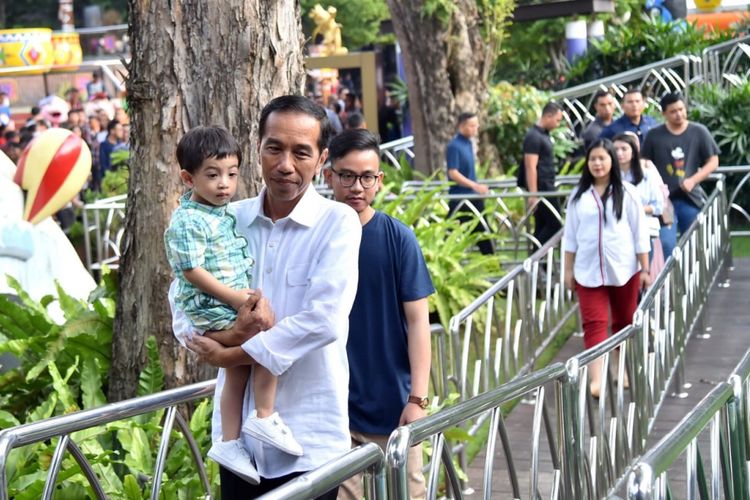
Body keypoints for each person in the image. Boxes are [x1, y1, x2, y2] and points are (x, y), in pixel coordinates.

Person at [173, 95, 362, 498]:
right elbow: (181, 299)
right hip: (239, 448)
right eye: (274, 148)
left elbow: (323, 321)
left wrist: (230, 356)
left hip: (309, 441)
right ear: (258, 147)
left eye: (301, 152)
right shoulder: (225, 217)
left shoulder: (337, 223)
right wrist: (217, 337)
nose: (285, 165)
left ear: (322, 157)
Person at [164, 126, 304, 484]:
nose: (224, 184)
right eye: (212, 176)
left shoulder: (221, 212)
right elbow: (190, 271)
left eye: (231, 174)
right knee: (264, 335)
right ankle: (263, 415)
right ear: (187, 177)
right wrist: (235, 298)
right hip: (213, 307)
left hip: (224, 305)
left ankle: (232, 438)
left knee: (239, 366)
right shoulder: (188, 220)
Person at [323, 130, 433, 500]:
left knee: (408, 493)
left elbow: (419, 322)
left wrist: (417, 400)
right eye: (347, 175)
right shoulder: (316, 236)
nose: (357, 186)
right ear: (329, 176)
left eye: (367, 176)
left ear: (379, 180)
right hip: (334, 412)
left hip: (393, 407)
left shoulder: (398, 238)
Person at [563, 139, 651, 397]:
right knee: (594, 322)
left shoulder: (627, 192)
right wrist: (567, 270)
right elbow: (570, 236)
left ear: (612, 160)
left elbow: (639, 233)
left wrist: (645, 268)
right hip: (588, 271)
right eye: (593, 159)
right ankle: (597, 378)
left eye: (602, 158)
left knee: (624, 321)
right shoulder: (579, 197)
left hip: (624, 269)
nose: (597, 164)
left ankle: (619, 366)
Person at [641, 92, 719, 259]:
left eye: (681, 109)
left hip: (689, 197)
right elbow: (643, 161)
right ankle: (672, 282)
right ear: (664, 114)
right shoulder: (654, 135)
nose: (679, 114)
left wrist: (694, 179)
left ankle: (693, 281)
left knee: (694, 240)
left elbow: (713, 161)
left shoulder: (699, 131)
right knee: (667, 243)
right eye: (673, 111)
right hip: (663, 200)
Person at [613, 132, 667, 279]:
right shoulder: (609, 176)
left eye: (624, 149)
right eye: (616, 149)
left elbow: (658, 206)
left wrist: (635, 210)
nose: (619, 153)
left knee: (641, 274)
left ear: (633, 151)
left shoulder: (647, 175)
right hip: (616, 232)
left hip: (644, 229)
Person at [446, 111, 493, 255]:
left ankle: (492, 263)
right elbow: (453, 173)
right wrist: (474, 186)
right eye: (472, 126)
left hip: (472, 197)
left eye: (477, 126)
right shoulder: (454, 146)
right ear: (462, 126)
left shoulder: (468, 143)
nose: (476, 129)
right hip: (461, 198)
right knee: (451, 235)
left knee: (483, 233)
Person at [519, 101, 564, 248]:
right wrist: (533, 194)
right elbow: (530, 166)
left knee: (542, 226)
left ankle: (539, 265)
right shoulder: (533, 136)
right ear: (548, 116)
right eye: (557, 120)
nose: (558, 124)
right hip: (542, 188)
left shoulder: (543, 135)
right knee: (555, 225)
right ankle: (536, 258)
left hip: (547, 185)